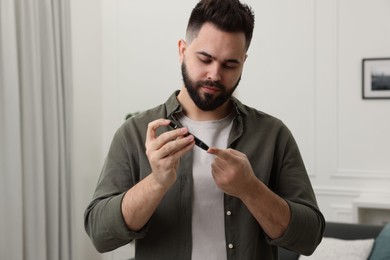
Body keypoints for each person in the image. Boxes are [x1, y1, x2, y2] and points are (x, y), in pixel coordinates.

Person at [84, 0, 325, 259]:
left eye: (230, 65)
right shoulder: (134, 132)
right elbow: (100, 234)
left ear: (243, 62)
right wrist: (156, 183)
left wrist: (250, 189)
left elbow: (308, 238)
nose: (215, 74)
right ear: (182, 50)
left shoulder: (273, 135)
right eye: (205, 58)